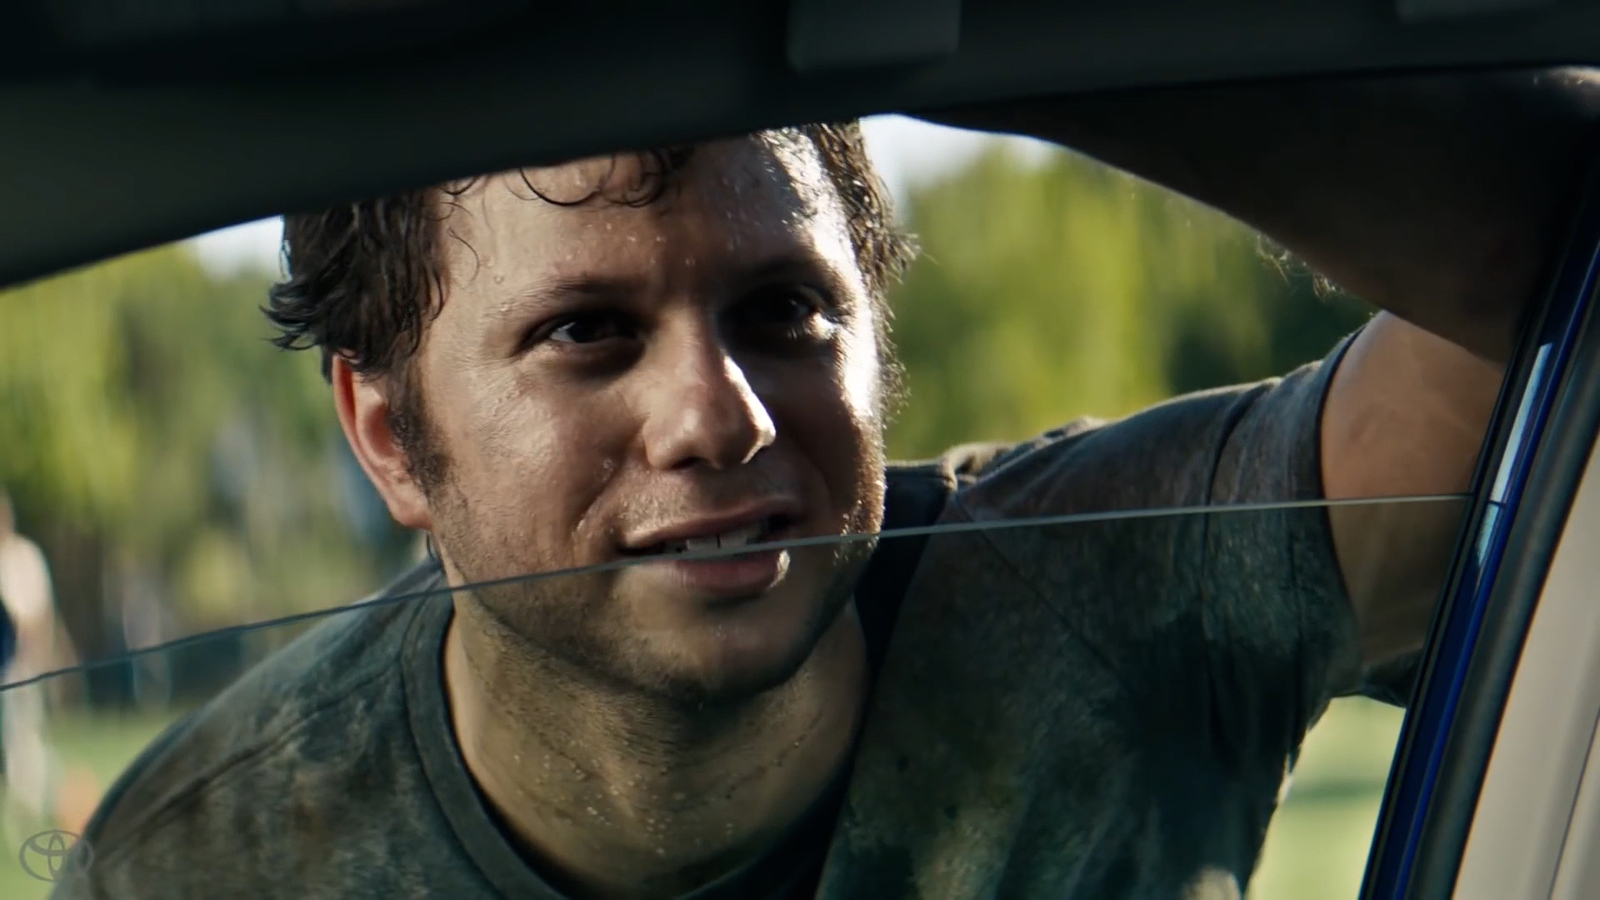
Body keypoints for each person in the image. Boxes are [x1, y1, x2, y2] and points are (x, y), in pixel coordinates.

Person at [54, 71, 1597, 899]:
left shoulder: (1131, 589)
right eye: (587, 333)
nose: (716, 416)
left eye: (786, 312)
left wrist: (977, 38)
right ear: (387, 436)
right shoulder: (201, 859)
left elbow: (1557, 286)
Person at [0, 490, 60, 837]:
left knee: (24, 738)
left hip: (22, 666)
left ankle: (35, 807)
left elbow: (38, 613)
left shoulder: (25, 557)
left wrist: (35, 653)